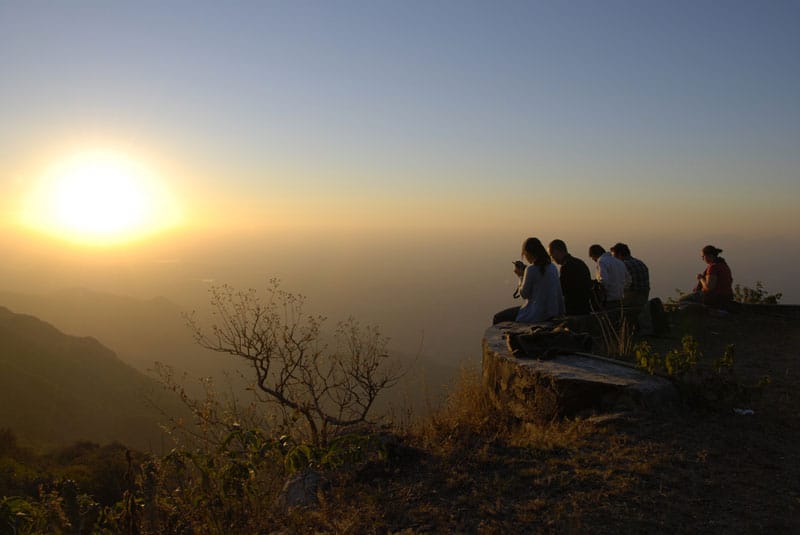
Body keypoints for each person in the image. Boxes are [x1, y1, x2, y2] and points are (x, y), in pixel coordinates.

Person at [493, 237, 565, 324]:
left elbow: (524, 294)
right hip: (552, 313)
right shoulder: (552, 267)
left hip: (536, 315)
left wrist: (521, 276)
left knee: (498, 317)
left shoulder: (531, 269)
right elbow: (558, 292)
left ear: (528, 253)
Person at [610, 242, 652, 332]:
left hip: (631, 298)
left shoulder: (623, 265)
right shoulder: (640, 263)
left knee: (609, 304)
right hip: (643, 297)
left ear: (620, 255)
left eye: (614, 257)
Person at [548, 239, 592, 315]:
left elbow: (563, 289)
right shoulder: (580, 262)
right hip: (586, 307)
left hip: (574, 309)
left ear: (556, 251)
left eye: (551, 255)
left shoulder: (566, 266)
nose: (552, 259)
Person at [588, 244, 629, 309]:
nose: (593, 260)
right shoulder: (619, 261)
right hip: (620, 299)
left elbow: (603, 281)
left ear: (594, 255)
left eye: (592, 258)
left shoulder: (601, 261)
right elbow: (628, 280)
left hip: (609, 300)